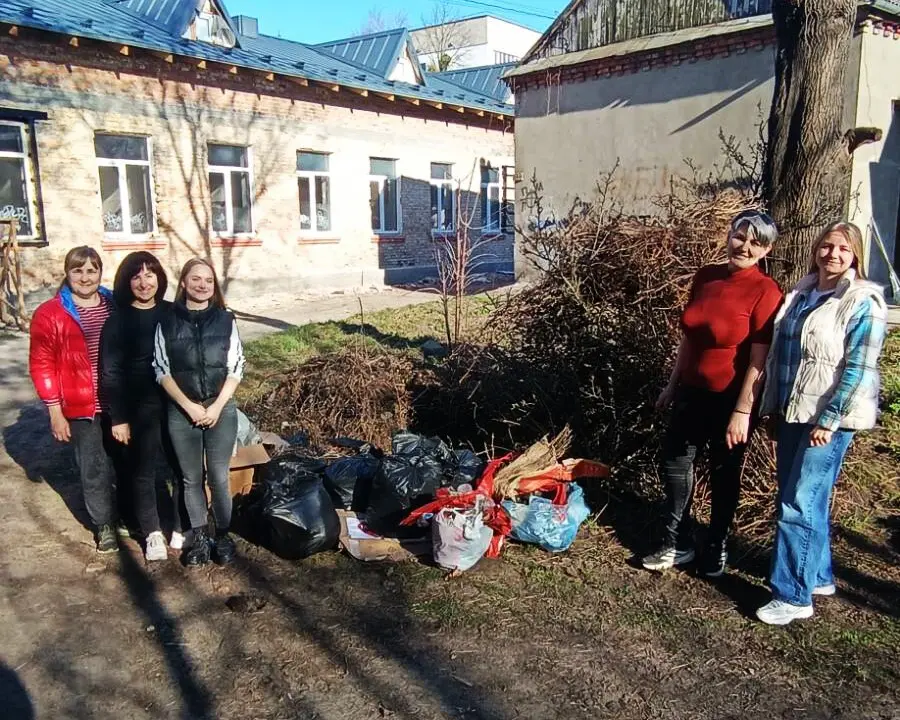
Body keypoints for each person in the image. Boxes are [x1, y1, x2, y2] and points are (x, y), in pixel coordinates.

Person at [757, 221, 887, 625]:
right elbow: (785, 356)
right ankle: (818, 577)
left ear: (856, 257)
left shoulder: (863, 301)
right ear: (816, 249)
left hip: (827, 420)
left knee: (798, 503)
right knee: (803, 500)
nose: (833, 255)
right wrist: (773, 407)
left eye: (843, 250)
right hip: (794, 411)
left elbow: (858, 369)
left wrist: (830, 420)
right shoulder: (802, 293)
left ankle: (792, 595)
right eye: (827, 246)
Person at [643, 210, 783, 576]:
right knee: (674, 465)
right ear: (729, 235)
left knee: (724, 473)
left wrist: (742, 411)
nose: (745, 246)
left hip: (730, 399)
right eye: (740, 236)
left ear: (766, 250)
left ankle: (716, 543)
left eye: (756, 242)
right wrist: (672, 386)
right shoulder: (707, 277)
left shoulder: (765, 291)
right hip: (691, 390)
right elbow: (689, 339)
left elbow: (758, 360)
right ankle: (677, 541)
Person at [153, 258, 244, 567]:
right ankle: (200, 538)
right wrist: (189, 406)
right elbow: (161, 369)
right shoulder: (166, 321)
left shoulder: (226, 320)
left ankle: (222, 536)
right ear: (184, 283)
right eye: (195, 279)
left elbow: (236, 367)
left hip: (221, 408)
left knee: (219, 477)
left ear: (213, 285)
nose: (202, 285)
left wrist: (216, 406)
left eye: (208, 280)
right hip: (182, 410)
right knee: (191, 479)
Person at [29, 246, 119, 553]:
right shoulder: (50, 314)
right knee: (93, 467)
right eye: (77, 270)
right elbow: (42, 365)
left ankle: (125, 513)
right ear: (67, 274)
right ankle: (104, 524)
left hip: (117, 401)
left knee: (121, 461)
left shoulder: (113, 303)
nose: (85, 277)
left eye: (91, 270)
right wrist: (55, 411)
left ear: (100, 273)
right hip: (82, 406)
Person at [101, 251, 183, 562]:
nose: (144, 282)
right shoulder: (118, 321)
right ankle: (152, 533)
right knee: (143, 472)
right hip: (139, 408)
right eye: (136, 276)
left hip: (177, 404)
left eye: (150, 274)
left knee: (181, 469)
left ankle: (180, 525)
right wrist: (118, 417)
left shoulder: (173, 313)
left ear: (160, 278)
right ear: (126, 282)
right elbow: (110, 372)